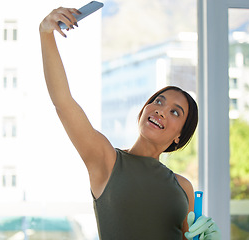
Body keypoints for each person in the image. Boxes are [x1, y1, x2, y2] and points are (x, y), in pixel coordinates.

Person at [39, 6, 220, 240]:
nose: (161, 110)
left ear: (180, 136)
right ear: (144, 110)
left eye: (175, 112)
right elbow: (63, 103)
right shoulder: (106, 160)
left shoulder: (184, 187)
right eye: (158, 101)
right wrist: (45, 34)